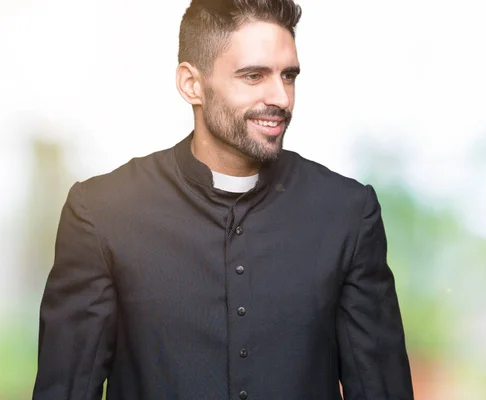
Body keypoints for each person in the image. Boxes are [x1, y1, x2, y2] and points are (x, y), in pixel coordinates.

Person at [32, 0, 414, 399]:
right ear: (191, 84)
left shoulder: (347, 214)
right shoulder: (102, 212)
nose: (281, 97)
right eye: (254, 76)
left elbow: (381, 390)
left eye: (289, 75)